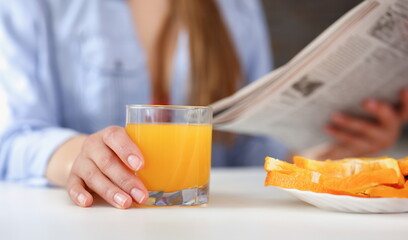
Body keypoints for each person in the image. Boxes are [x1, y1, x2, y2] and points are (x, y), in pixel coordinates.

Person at [0, 0, 406, 209]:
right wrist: (80, 157)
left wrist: (340, 145)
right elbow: (12, 141)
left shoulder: (234, 8)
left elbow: (253, 153)